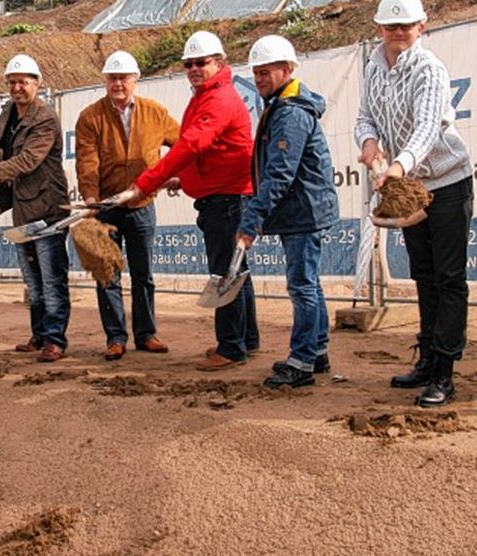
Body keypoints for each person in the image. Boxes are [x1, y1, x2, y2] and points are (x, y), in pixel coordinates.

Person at [355, 0, 474, 407]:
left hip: (445, 182)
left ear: (422, 27)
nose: (398, 32)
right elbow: (365, 116)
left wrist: (399, 166)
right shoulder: (374, 67)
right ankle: (427, 359)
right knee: (423, 275)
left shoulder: (429, 69)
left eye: (405, 25)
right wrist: (369, 143)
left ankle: (445, 370)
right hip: (409, 185)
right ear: (380, 29)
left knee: (448, 278)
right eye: (391, 25)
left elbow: (426, 129)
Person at [119, 31, 260, 372]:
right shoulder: (205, 95)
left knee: (225, 272)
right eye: (189, 64)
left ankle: (232, 346)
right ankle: (246, 338)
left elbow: (191, 145)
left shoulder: (219, 99)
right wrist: (183, 179)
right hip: (222, 193)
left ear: (220, 63)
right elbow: (206, 151)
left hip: (227, 197)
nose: (195, 69)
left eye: (202, 62)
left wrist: (145, 183)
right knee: (236, 270)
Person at [238, 36, 339, 389]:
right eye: (256, 73)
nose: (259, 79)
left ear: (287, 69)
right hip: (303, 209)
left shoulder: (291, 113)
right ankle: (317, 349)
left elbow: (279, 173)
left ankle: (302, 362)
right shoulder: (282, 105)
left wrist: (251, 220)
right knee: (309, 283)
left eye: (266, 72)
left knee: (302, 286)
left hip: (303, 211)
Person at [74, 50, 180, 360]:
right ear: (105, 81)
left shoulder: (155, 113)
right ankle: (115, 338)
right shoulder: (90, 116)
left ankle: (146, 335)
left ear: (135, 80)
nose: (118, 83)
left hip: (142, 206)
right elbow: (87, 163)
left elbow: (184, 145)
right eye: (113, 78)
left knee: (143, 274)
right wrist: (91, 199)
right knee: (107, 274)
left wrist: (175, 173)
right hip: (106, 208)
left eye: (124, 78)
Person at [0, 54, 73, 362]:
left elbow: (27, 161)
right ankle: (39, 335)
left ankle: (55, 340)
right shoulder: (8, 112)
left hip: (48, 210)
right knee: (33, 282)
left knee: (51, 281)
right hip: (23, 209)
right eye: (12, 82)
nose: (17, 87)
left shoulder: (45, 118)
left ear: (37, 83)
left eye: (23, 82)